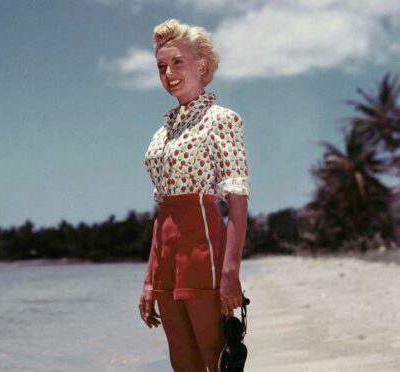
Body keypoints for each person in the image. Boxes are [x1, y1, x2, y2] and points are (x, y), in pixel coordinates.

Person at [138, 18, 251, 372]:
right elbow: (161, 210)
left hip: (203, 245)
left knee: (215, 356)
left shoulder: (222, 119)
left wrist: (230, 271)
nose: (168, 73)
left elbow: (237, 199)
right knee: (182, 362)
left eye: (177, 62)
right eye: (161, 66)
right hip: (166, 254)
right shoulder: (161, 133)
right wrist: (148, 279)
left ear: (201, 65)